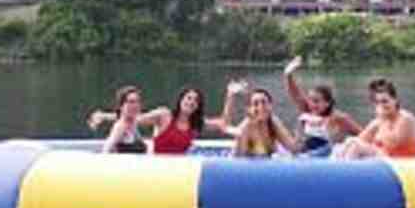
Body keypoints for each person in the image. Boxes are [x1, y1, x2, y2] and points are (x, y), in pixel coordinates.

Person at [91, 81, 245, 155]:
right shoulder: (164, 115)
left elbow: (223, 122)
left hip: (178, 169)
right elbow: (133, 118)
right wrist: (104, 116)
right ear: (180, 100)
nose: (191, 102)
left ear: (198, 106)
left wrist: (230, 96)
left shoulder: (196, 123)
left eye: (195, 100)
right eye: (188, 98)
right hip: (158, 166)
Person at [283, 56, 363, 156]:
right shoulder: (307, 110)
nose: (312, 104)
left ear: (327, 103)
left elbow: (363, 134)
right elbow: (295, 93)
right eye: (310, 100)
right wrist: (288, 75)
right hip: (307, 151)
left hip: (328, 153)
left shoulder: (339, 117)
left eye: (316, 101)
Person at [335, 78, 415, 160]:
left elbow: (393, 144)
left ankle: (346, 169)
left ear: (395, 100)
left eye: (385, 101)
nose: (381, 105)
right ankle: (340, 167)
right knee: (350, 142)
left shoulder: (405, 119)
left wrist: (380, 122)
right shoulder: (379, 121)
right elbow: (361, 139)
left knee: (356, 147)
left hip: (404, 162)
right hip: (387, 159)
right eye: (377, 102)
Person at [232, 88, 299, 158]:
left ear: (270, 105)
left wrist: (300, 131)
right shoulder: (245, 128)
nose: (260, 107)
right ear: (249, 109)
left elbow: (293, 148)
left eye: (264, 102)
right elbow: (239, 158)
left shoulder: (273, 123)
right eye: (255, 104)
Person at [102, 86, 148, 154]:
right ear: (121, 106)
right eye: (131, 102)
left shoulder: (133, 124)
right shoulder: (121, 127)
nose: (135, 105)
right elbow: (106, 151)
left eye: (138, 101)